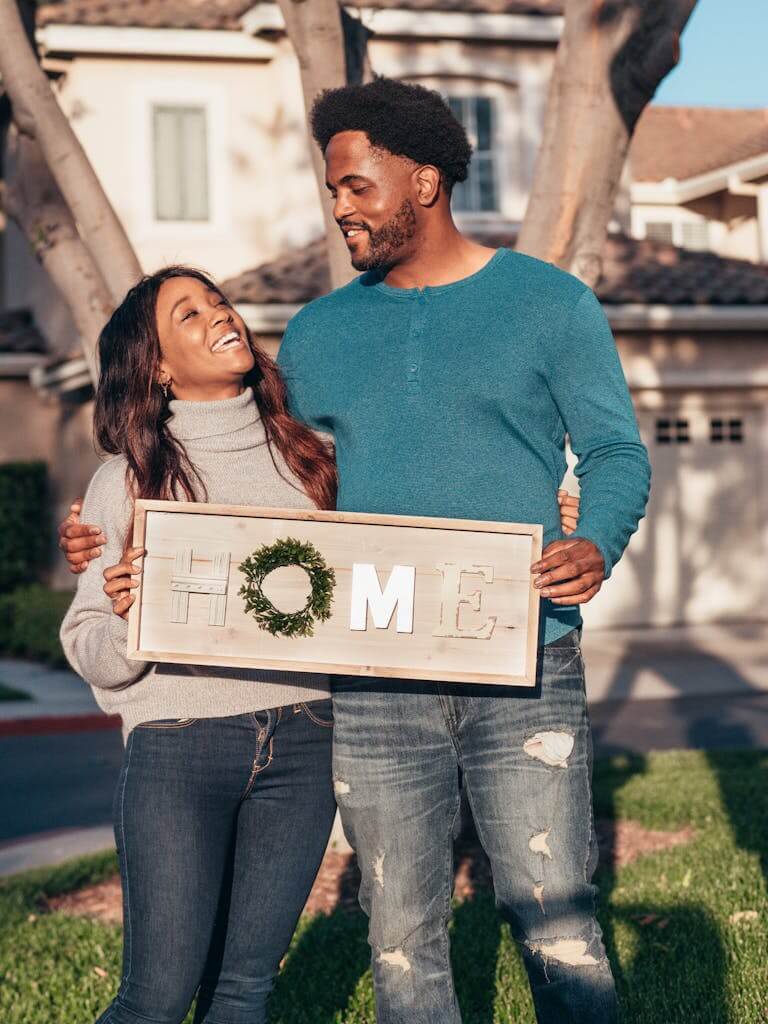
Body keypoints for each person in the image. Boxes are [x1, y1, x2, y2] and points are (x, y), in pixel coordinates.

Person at [60, 76, 645, 1024]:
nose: (339, 207)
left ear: (423, 182)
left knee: (558, 921)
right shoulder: (320, 334)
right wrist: (112, 530)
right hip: (369, 685)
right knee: (401, 939)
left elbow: (615, 450)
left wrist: (595, 539)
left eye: (356, 185)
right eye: (331, 189)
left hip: (529, 654)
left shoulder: (552, 304)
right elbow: (258, 474)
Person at [59, 266, 339, 1024]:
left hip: (308, 739)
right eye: (188, 314)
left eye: (217, 300)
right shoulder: (127, 480)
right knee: (156, 998)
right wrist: (128, 619)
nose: (221, 315)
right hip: (179, 746)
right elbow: (88, 642)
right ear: (156, 365)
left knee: (244, 991)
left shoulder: (314, 462)